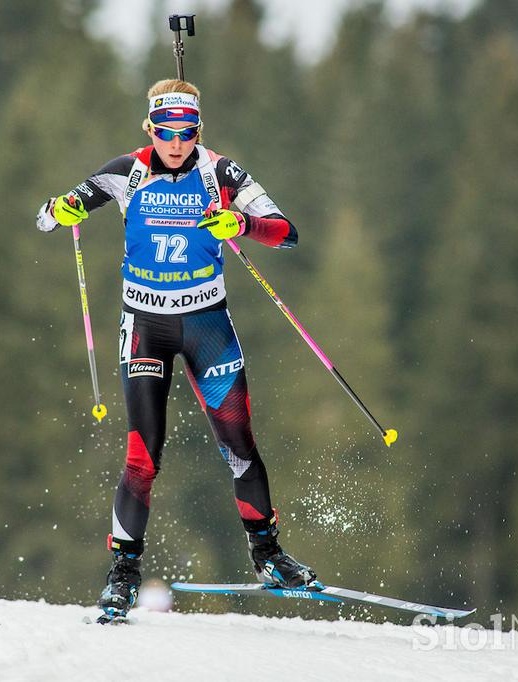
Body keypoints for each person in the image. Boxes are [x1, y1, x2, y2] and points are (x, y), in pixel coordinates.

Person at [36, 79, 315, 620]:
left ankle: (269, 557)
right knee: (142, 457)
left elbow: (287, 233)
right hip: (145, 325)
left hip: (206, 324)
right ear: (151, 128)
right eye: (166, 130)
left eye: (187, 131)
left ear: (197, 130)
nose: (176, 141)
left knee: (240, 446)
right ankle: (122, 575)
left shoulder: (221, 173)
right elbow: (49, 215)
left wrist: (242, 222)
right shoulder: (127, 172)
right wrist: (63, 211)